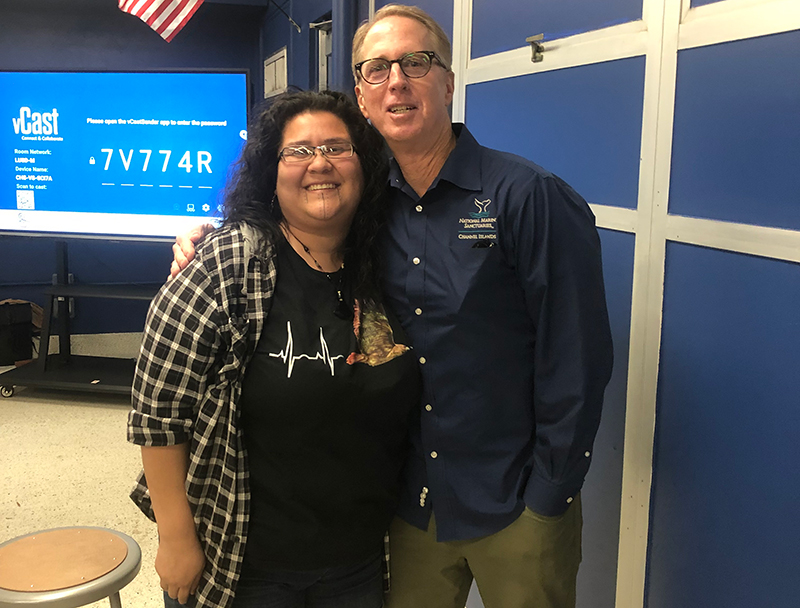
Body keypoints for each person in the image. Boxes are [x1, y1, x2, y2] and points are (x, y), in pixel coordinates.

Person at [173, 5, 614, 608]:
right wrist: (205, 237)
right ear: (361, 93)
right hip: (408, 509)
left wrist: (550, 496)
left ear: (449, 80)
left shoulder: (527, 198)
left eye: (416, 62)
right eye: (376, 69)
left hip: (515, 502)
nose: (397, 81)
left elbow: (578, 359)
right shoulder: (365, 206)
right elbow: (289, 220)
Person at [128, 90, 421, 608]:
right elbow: (159, 412)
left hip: (358, 558)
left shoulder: (387, 259)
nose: (320, 163)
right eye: (299, 151)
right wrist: (176, 539)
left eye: (337, 147)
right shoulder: (229, 262)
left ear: (365, 164)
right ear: (271, 170)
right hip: (245, 560)